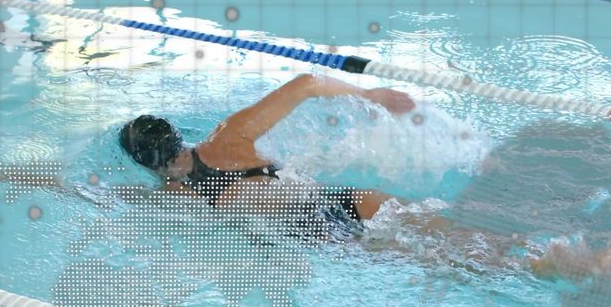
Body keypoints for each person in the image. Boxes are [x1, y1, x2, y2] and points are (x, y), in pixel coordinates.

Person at [118, 74, 415, 234]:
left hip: (317, 236)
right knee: (453, 241)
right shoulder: (229, 135)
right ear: (177, 135)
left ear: (143, 162)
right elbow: (306, 84)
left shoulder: (176, 194)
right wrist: (369, 95)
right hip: (347, 201)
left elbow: (110, 197)